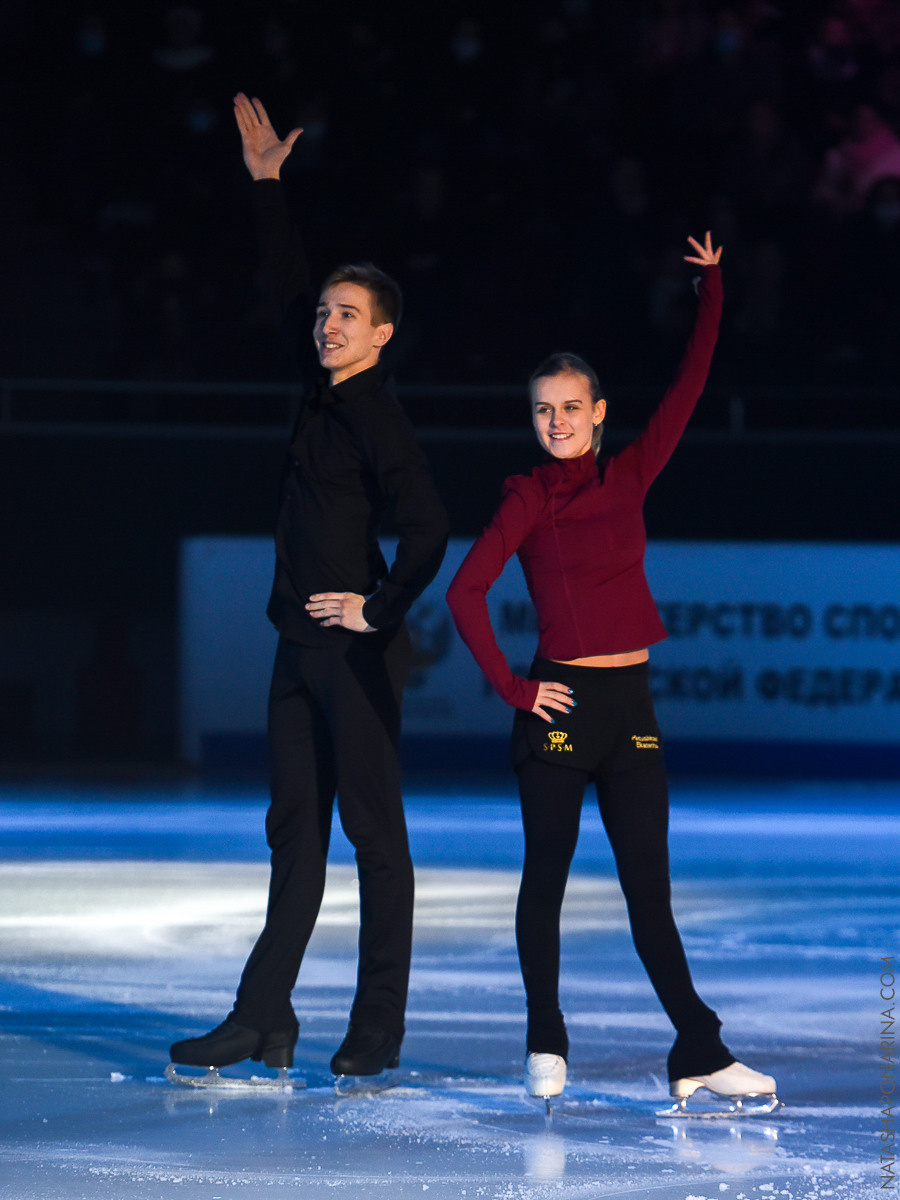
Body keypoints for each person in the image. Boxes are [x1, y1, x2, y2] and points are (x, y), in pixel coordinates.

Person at [446, 233, 778, 1109]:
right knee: (545, 878)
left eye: (570, 408)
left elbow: (690, 387)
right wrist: (517, 691)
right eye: (542, 410)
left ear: (598, 412)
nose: (555, 422)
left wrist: (712, 291)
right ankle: (545, 1035)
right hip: (557, 708)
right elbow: (465, 591)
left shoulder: (629, 475)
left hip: (629, 704)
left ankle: (697, 1050)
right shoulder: (527, 496)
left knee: (649, 895)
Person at [170, 94, 448, 1079]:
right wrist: (266, 186)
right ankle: (264, 1018)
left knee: (375, 837)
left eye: (347, 317)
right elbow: (284, 281)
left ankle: (377, 1026)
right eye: (327, 313)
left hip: (357, 652)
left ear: (381, 337)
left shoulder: (379, 420)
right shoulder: (315, 383)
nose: (328, 324)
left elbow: (429, 526)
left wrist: (378, 608)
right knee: (295, 835)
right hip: (296, 647)